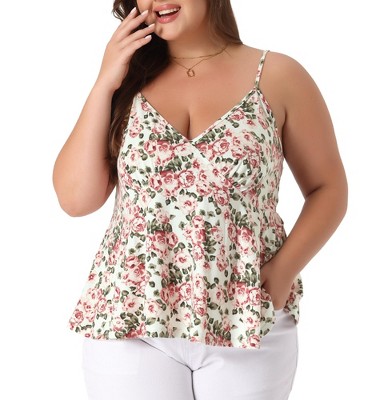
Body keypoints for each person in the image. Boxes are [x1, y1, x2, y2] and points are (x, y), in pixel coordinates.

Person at [53, 1, 348, 399]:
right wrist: (105, 82)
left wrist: (281, 274)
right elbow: (76, 200)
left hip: (246, 319)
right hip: (131, 320)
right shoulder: (126, 80)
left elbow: (328, 188)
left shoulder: (278, 75)